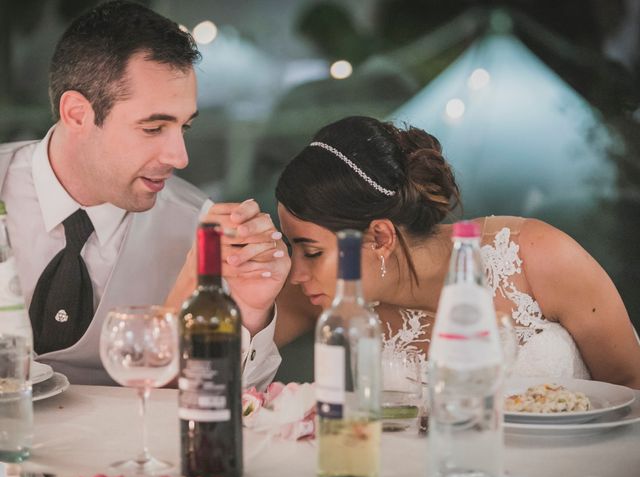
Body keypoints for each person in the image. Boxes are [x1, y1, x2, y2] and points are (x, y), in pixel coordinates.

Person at [0, 0, 289, 390]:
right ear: (77, 115)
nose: (179, 157)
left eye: (183, 127)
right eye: (154, 128)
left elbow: (229, 399)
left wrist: (251, 311)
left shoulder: (199, 229)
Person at [274, 115, 640, 388]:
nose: (296, 273)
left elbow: (631, 386)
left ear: (381, 238)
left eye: (311, 251)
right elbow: (227, 367)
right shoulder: (324, 295)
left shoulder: (534, 256)